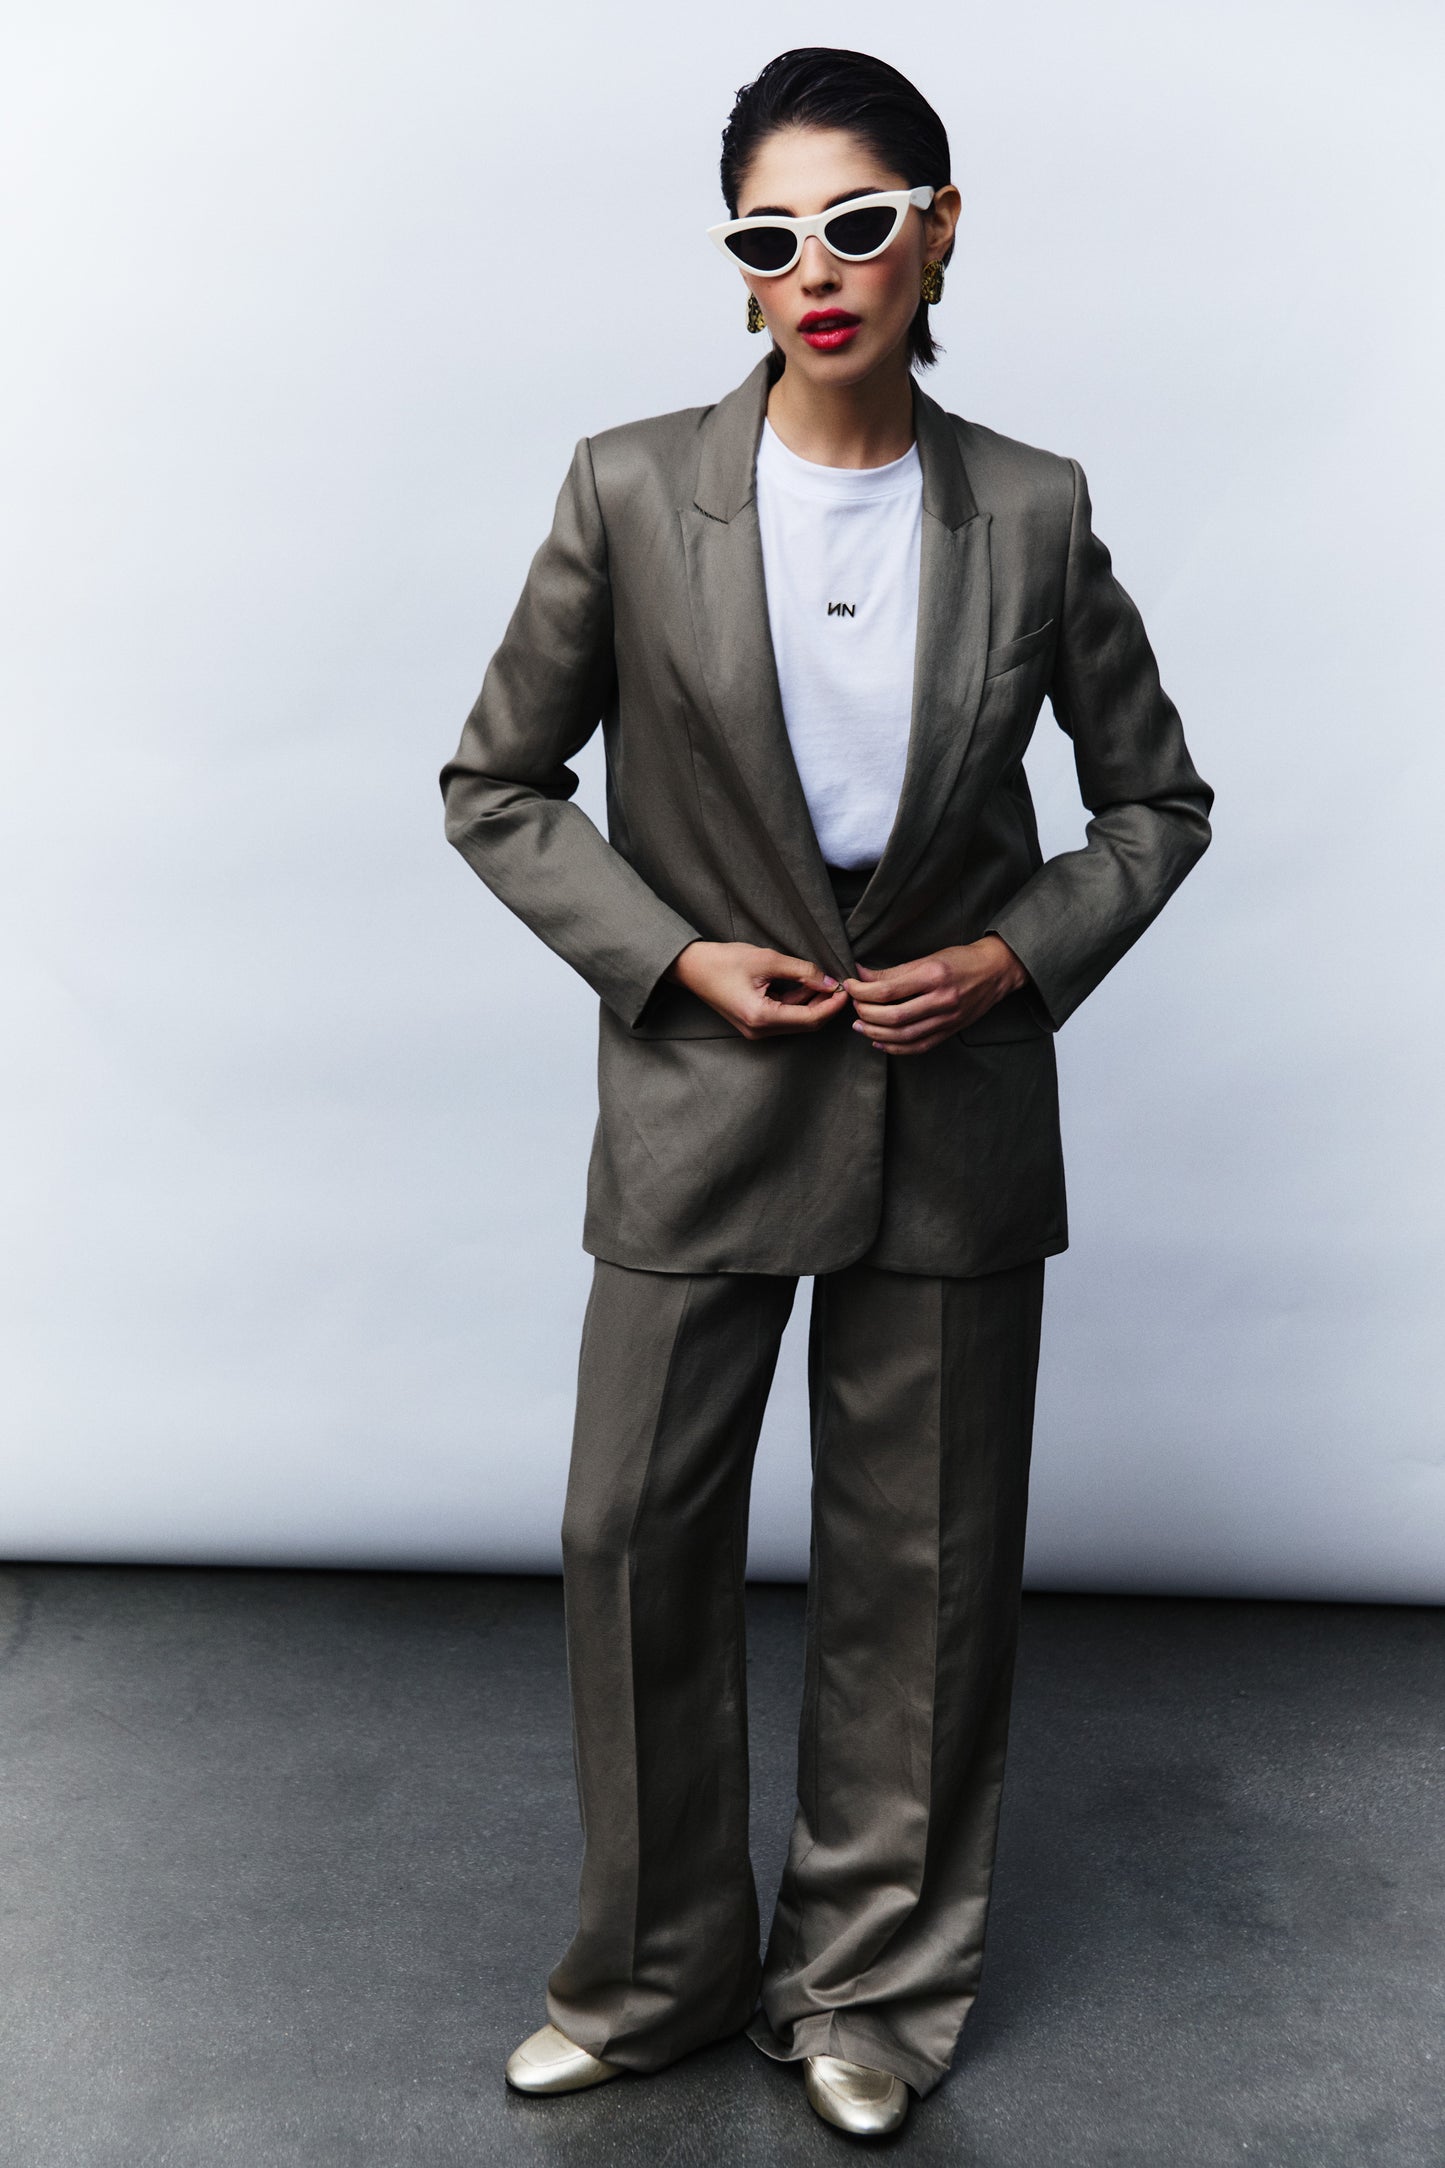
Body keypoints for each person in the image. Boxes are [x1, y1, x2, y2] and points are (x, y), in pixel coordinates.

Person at [440, 46, 1212, 2141]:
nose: (816, 270)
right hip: (703, 1097)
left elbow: (1153, 803)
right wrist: (673, 956)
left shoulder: (1031, 509)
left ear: (937, 231)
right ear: (739, 265)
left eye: (858, 225)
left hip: (950, 1116)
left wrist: (1014, 956)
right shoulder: (628, 489)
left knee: (921, 1576)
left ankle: (868, 1992)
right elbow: (497, 784)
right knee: (629, 1537)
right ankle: (654, 1974)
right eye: (769, 237)